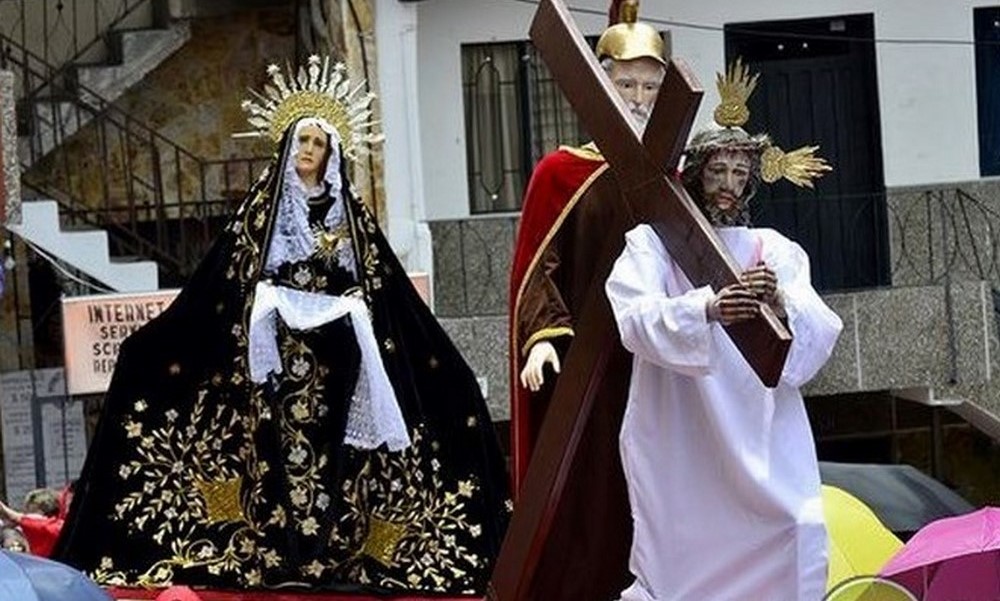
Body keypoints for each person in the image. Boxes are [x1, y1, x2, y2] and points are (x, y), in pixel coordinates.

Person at [54, 56, 509, 595]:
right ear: (286, 146)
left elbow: (385, 293)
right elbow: (220, 285)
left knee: (340, 458)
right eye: (300, 142)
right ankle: (273, 550)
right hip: (275, 365)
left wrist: (360, 317)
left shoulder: (350, 218)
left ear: (331, 152)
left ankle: (335, 552)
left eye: (317, 144)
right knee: (271, 452)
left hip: (338, 363)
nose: (307, 153)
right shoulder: (263, 214)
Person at [605, 60, 841, 599]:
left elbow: (819, 332)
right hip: (680, 433)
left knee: (796, 528)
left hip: (762, 435)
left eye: (740, 173)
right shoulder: (653, 243)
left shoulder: (774, 250)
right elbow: (633, 319)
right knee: (677, 562)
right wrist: (707, 310)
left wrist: (778, 300)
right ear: (695, 173)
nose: (729, 184)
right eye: (719, 171)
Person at [507, 0, 666, 597]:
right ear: (600, 82)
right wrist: (542, 337)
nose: (639, 95)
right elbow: (536, 269)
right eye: (626, 82)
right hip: (582, 360)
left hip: (649, 355)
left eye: (650, 85)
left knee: (648, 480)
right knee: (586, 478)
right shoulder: (560, 173)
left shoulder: (665, 172)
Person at [0, 488, 63, 557]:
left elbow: (16, 517)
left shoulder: (48, 527)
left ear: (42, 509)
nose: (26, 512)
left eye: (30, 510)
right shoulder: (58, 524)